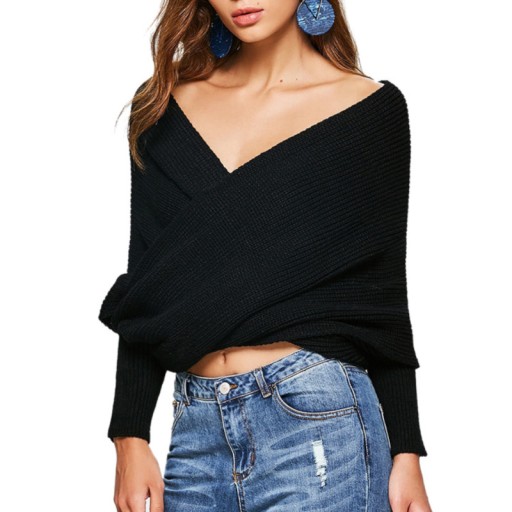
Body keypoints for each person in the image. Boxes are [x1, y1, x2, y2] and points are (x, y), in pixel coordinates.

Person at [98, 0, 432, 511]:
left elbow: (381, 290)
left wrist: (406, 450)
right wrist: (129, 432)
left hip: (319, 424)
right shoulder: (162, 106)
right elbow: (148, 282)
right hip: (196, 432)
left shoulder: (368, 110)